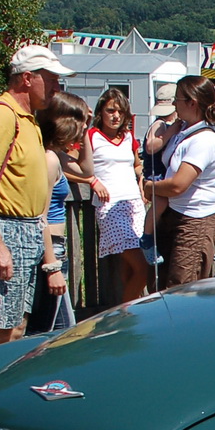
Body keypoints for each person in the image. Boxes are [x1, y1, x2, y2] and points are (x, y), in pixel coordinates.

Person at [0, 43, 69, 350]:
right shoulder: (1, 115)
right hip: (6, 230)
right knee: (0, 329)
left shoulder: (28, 119)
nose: (57, 87)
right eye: (51, 79)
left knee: (15, 327)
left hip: (25, 230)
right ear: (27, 78)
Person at [149, 76, 215, 286]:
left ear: (192, 103)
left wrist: (149, 187)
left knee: (183, 288)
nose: (174, 104)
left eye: (177, 99)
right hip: (174, 216)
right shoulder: (183, 132)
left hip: (195, 223)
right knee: (164, 286)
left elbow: (178, 185)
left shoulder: (204, 140)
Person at [28, 91, 92, 333]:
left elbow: (86, 170)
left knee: (64, 329)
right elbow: (40, 217)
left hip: (55, 249)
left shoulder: (53, 155)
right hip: (50, 250)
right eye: (80, 122)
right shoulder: (49, 160)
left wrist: (86, 132)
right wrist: (51, 266)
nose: (83, 127)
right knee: (46, 331)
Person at [84, 88, 151, 304]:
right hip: (110, 206)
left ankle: (130, 310)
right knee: (143, 266)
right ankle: (126, 312)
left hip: (135, 205)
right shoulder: (91, 136)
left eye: (120, 112)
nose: (116, 116)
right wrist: (92, 180)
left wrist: (142, 180)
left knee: (129, 269)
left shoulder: (128, 137)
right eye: (110, 110)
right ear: (101, 112)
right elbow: (67, 164)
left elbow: (137, 165)